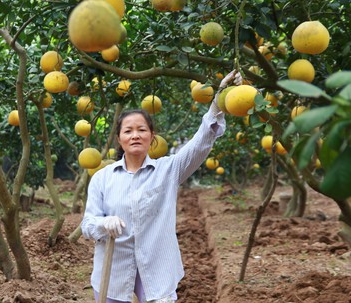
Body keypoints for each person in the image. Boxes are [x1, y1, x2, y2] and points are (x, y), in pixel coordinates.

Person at [81, 70, 242, 303]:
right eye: (128, 131)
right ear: (119, 139)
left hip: (157, 270)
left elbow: (199, 145)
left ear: (151, 136)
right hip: (113, 273)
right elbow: (87, 225)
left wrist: (218, 101)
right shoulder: (102, 178)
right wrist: (103, 224)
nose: (135, 135)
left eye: (142, 130)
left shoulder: (168, 170)